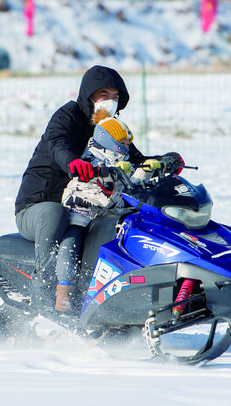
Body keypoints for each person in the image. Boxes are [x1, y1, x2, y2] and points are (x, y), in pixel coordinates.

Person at [14, 65, 149, 316]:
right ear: (89, 95)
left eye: (115, 97)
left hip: (86, 205)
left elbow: (133, 157)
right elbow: (58, 142)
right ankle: (45, 295)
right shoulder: (68, 116)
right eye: (103, 95)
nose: (110, 101)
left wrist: (161, 162)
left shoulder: (110, 127)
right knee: (56, 214)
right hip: (41, 205)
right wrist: (73, 162)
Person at [55, 109, 161, 313]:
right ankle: (63, 291)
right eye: (124, 143)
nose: (128, 147)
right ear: (109, 140)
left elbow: (128, 188)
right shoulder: (91, 159)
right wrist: (119, 172)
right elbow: (107, 196)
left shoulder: (120, 159)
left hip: (104, 215)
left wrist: (145, 171)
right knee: (71, 242)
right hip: (81, 211)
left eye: (128, 143)